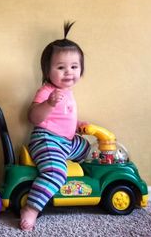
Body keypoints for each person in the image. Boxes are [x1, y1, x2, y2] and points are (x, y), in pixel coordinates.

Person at [20, 22, 91, 231]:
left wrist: (78, 126)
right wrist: (48, 103)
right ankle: (32, 209)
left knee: (88, 148)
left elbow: (63, 118)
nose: (68, 72)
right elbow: (33, 117)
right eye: (61, 67)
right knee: (56, 172)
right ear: (47, 70)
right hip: (46, 139)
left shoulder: (68, 92)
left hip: (66, 141)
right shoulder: (47, 91)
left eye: (74, 67)